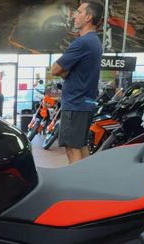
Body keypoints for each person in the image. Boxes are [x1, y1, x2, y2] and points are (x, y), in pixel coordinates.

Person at [50, 2, 102, 164]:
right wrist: (66, 70)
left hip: (75, 104)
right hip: (85, 104)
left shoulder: (82, 42)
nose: (74, 15)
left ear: (88, 17)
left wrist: (65, 70)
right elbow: (64, 70)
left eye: (78, 12)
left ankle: (76, 181)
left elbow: (55, 69)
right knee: (81, 146)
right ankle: (86, 179)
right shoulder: (94, 41)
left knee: (72, 149)